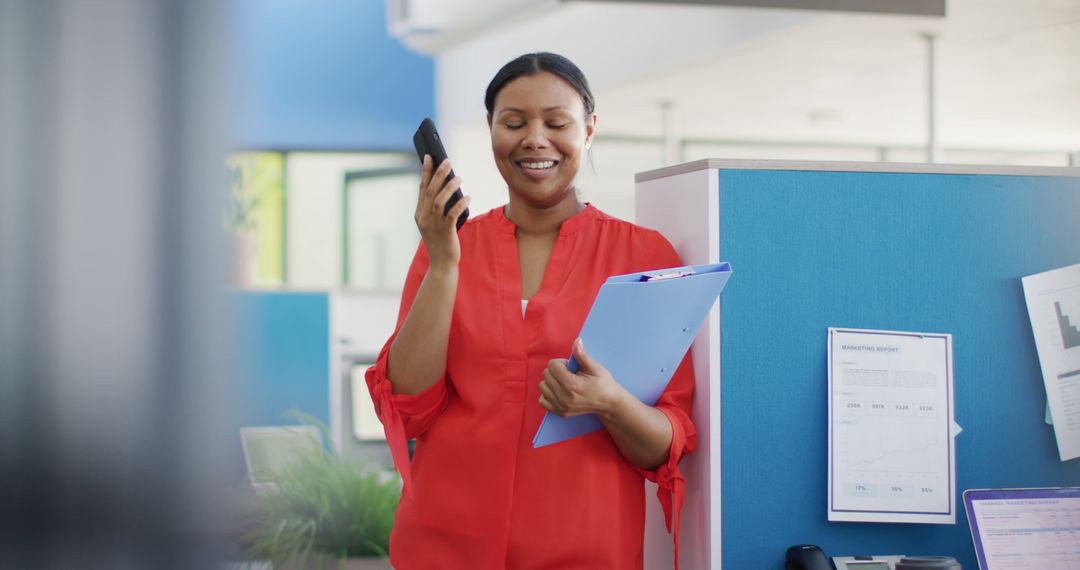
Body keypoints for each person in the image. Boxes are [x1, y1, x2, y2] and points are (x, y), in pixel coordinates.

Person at [366, 52, 696, 570]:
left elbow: (664, 445)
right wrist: (445, 263)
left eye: (556, 123)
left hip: (584, 553)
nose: (534, 139)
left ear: (589, 130)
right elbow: (408, 403)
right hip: (443, 548)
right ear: (491, 130)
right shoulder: (446, 247)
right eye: (514, 123)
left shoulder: (644, 258)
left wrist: (609, 401)